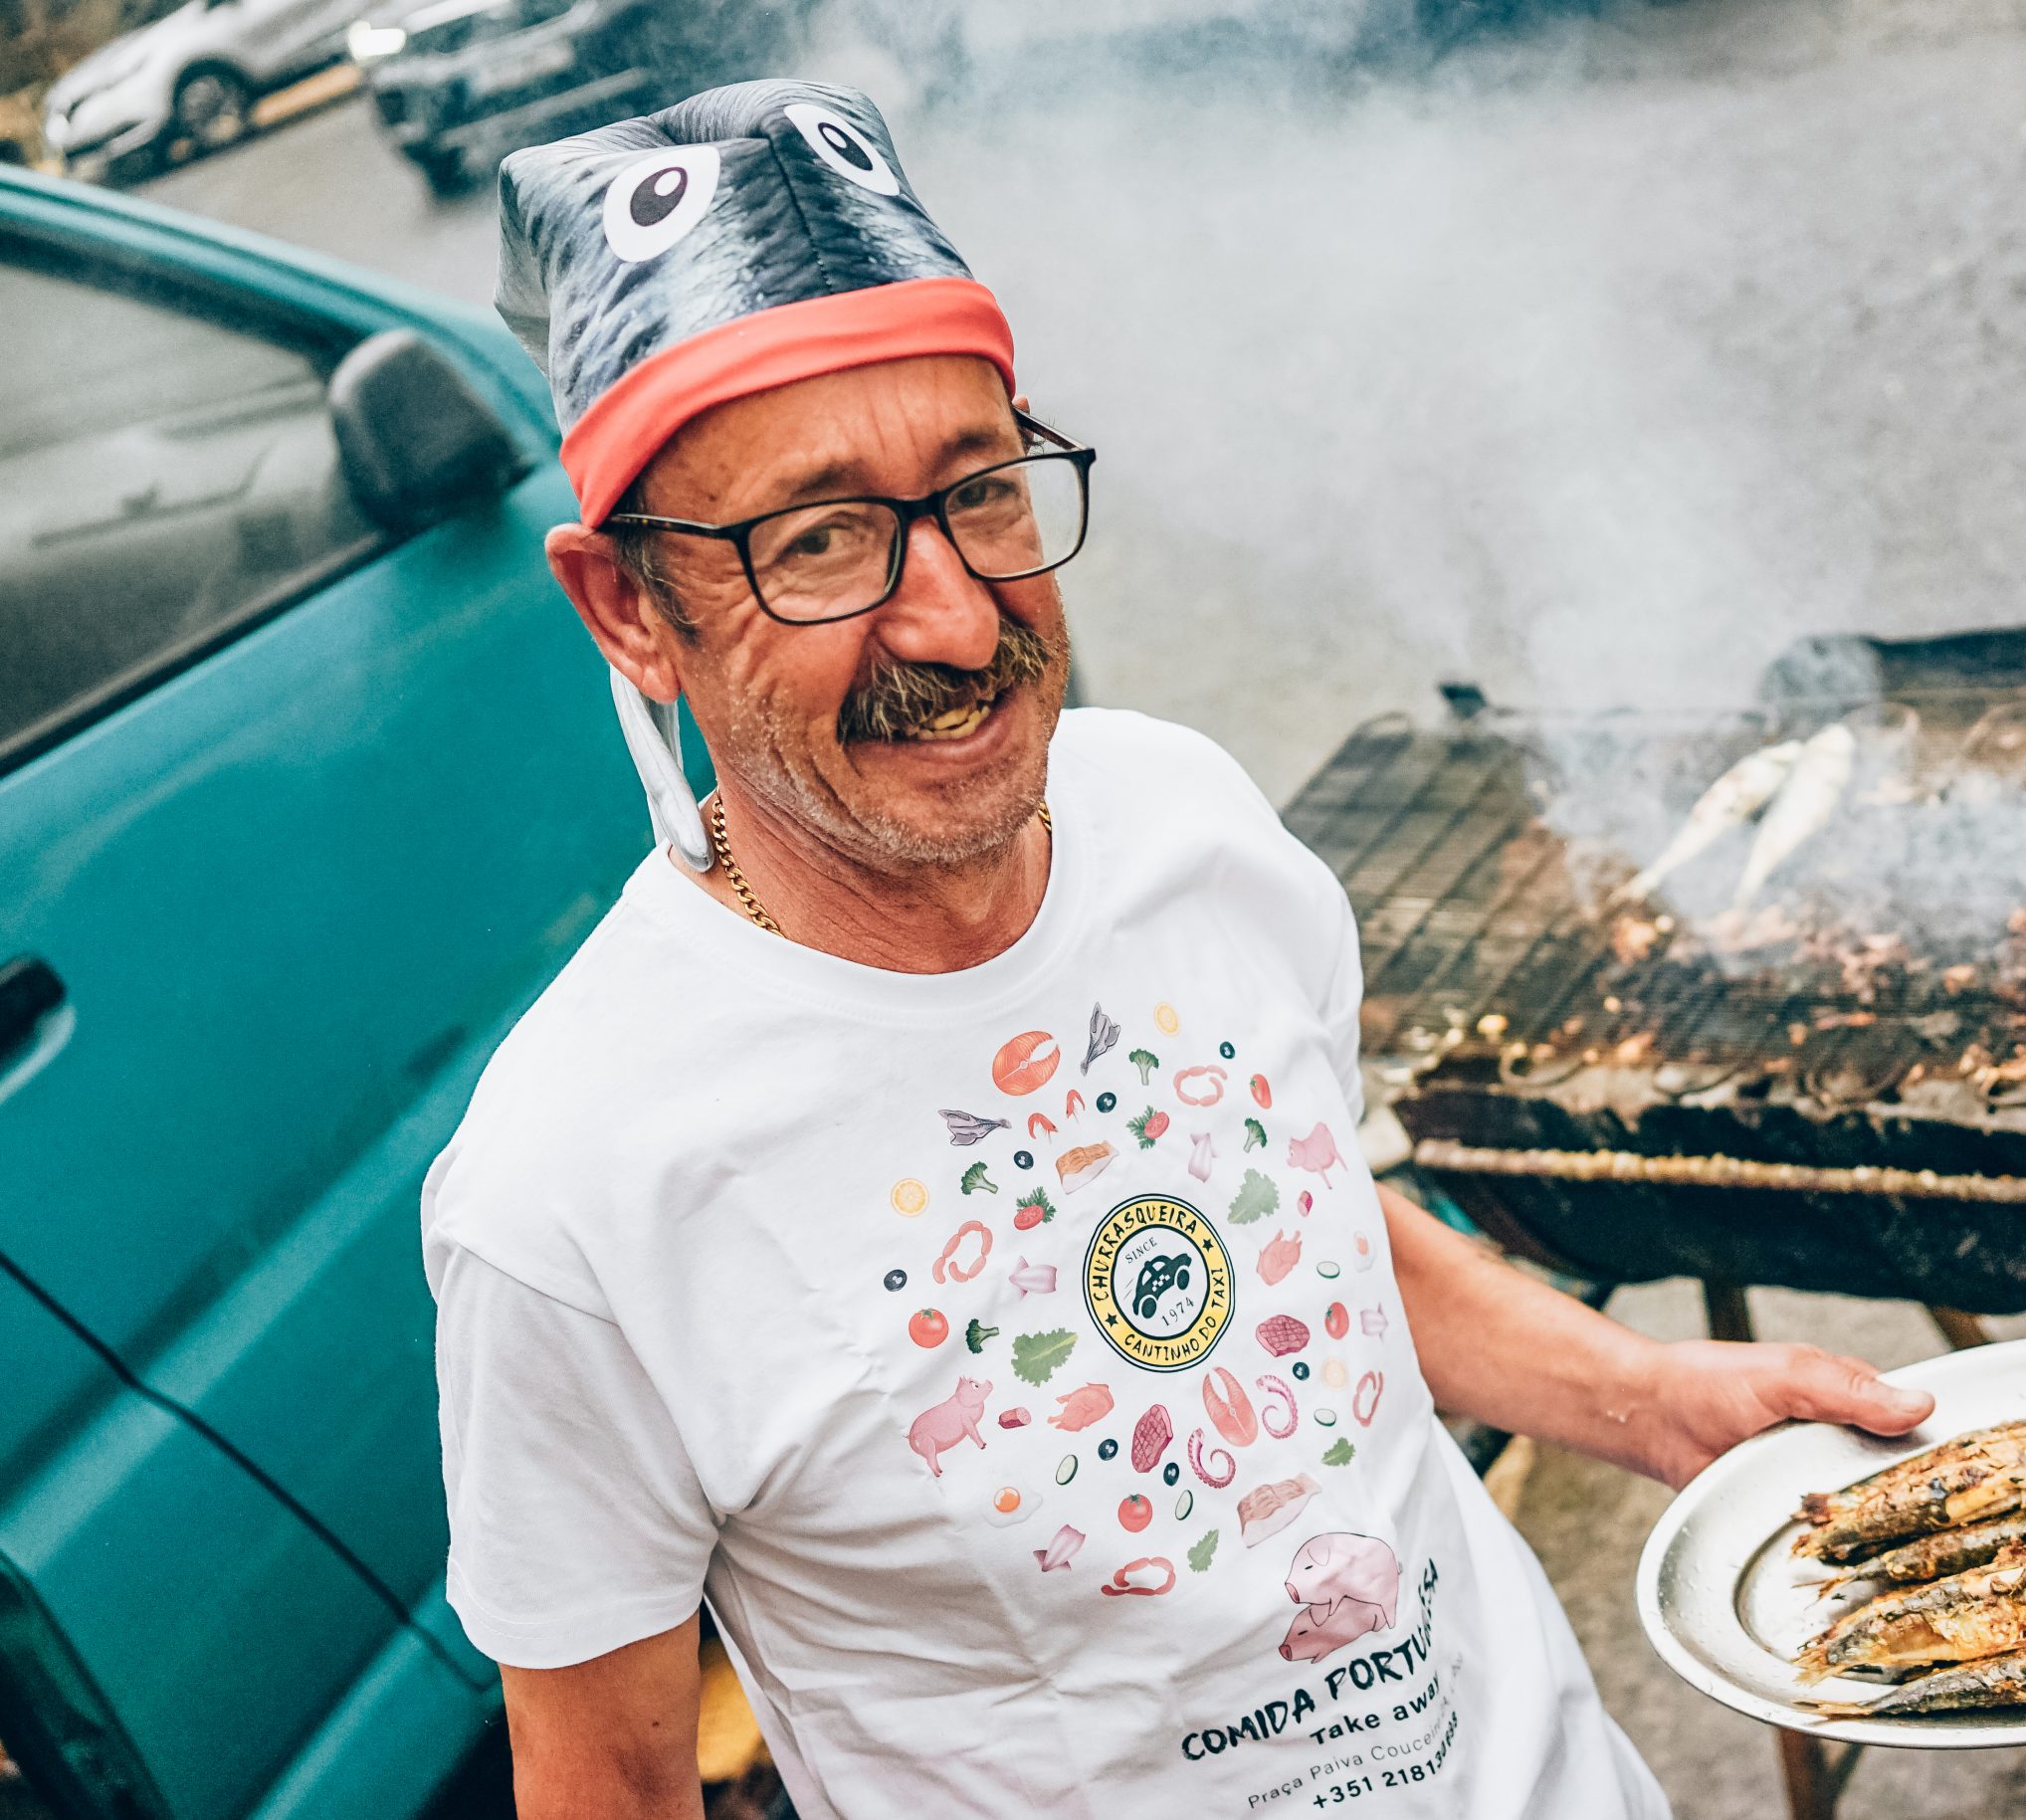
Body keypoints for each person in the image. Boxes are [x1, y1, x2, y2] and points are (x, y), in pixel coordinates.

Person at [428, 78, 1935, 1820]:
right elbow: (604, 1787)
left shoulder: (1184, 818)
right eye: (819, 540)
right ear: (631, 609)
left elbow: (1296, 1207)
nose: (954, 615)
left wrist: (1651, 1397)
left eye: (979, 489)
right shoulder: (567, 1205)